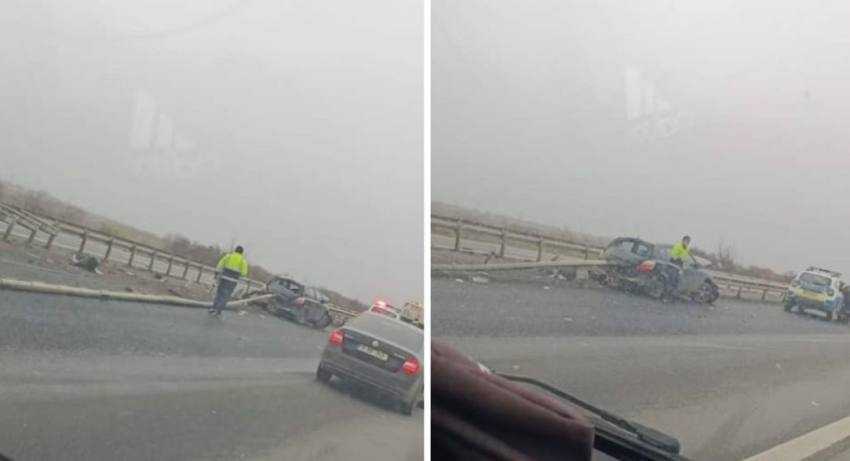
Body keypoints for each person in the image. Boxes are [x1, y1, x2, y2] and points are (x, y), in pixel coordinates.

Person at [210, 246, 249, 316]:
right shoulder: (243, 260)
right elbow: (244, 273)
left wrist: (217, 273)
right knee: (226, 296)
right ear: (242, 253)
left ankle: (213, 308)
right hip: (232, 281)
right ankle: (218, 310)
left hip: (224, 278)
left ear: (235, 250)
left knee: (219, 293)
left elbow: (220, 264)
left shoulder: (229, 256)